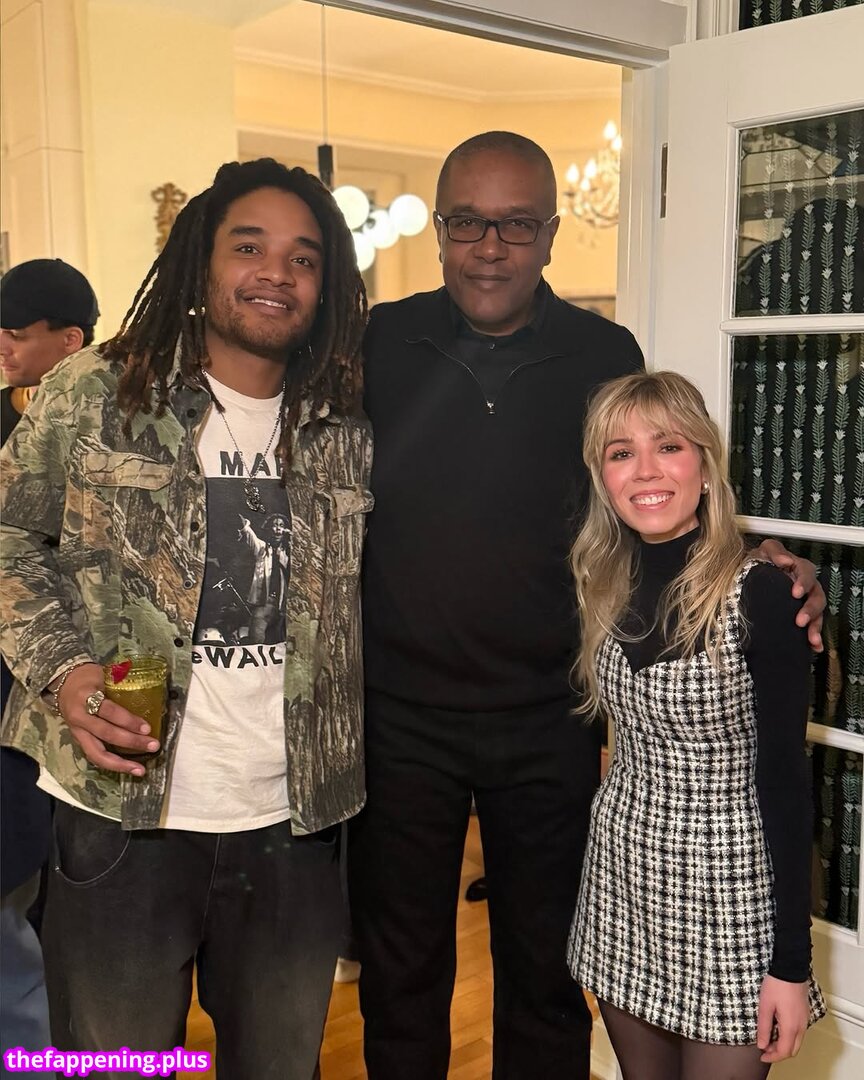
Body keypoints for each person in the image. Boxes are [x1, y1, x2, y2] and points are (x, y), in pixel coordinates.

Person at [349, 130, 827, 1080]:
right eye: (467, 223)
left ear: (552, 234)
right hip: (400, 718)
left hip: (553, 718)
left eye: (517, 225)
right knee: (400, 975)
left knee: (545, 973)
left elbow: (652, 490)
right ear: (438, 229)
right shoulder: (376, 341)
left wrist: (758, 557)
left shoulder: (603, 352)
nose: (491, 246)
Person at [0, 158, 372, 1080]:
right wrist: (64, 669)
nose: (276, 272)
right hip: (120, 814)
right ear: (202, 261)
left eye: (304, 258)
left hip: (294, 820)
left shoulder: (347, 417)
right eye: (250, 247)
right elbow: (8, 539)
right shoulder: (96, 391)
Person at [567, 370, 826, 1079]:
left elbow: (787, 786)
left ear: (706, 468)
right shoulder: (599, 580)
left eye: (669, 446)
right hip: (623, 880)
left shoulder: (763, 595)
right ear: (603, 479)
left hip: (732, 898)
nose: (646, 470)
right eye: (621, 453)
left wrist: (790, 964)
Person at [0, 257, 99, 1076]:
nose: (2, 347)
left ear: (69, 340)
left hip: (58, 693)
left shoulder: (99, 427)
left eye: (16, 333)